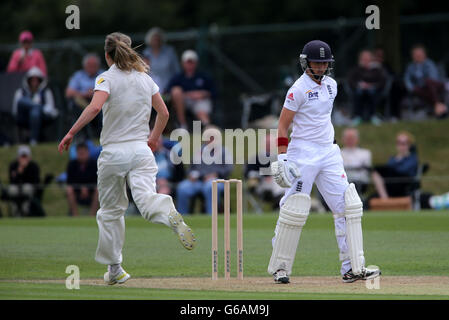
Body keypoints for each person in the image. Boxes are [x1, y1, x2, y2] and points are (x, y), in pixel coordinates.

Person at [58, 32, 196, 285]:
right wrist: (154, 139)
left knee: (110, 212)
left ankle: (115, 269)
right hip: (141, 151)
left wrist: (70, 132)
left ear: (107, 54)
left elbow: (94, 107)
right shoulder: (145, 79)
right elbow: (164, 112)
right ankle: (170, 214)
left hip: (113, 153)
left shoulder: (105, 78)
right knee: (145, 199)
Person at [268, 40, 381, 284]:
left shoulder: (332, 85)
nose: (320, 67)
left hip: (328, 152)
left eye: (324, 63)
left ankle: (352, 267)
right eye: (316, 63)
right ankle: (280, 267)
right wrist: (283, 157)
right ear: (306, 63)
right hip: (302, 153)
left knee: (347, 205)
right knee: (294, 207)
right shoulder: (297, 89)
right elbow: (282, 125)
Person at [176, 125, 233, 214]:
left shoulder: (224, 151)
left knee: (210, 186)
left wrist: (215, 174)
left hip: (217, 181)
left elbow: (228, 168)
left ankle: (211, 216)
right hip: (198, 181)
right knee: (182, 187)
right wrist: (191, 175)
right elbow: (191, 168)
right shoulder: (199, 151)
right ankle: (182, 217)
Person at [167, 50, 217, 129]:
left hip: (200, 100)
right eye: (187, 62)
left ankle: (208, 127)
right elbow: (168, 91)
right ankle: (183, 125)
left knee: (201, 108)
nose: (190, 65)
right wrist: (188, 95)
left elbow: (214, 91)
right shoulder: (178, 77)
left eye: (192, 62)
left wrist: (202, 94)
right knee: (176, 91)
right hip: (184, 102)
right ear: (183, 63)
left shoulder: (204, 76)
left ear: (196, 63)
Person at [12, 66, 59, 145]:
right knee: (22, 101)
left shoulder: (46, 92)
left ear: (40, 81)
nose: (34, 82)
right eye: (32, 80)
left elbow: (50, 109)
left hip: (40, 118)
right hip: (23, 118)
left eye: (36, 80)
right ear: (28, 81)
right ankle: (38, 107)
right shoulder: (20, 92)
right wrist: (40, 107)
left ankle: (33, 141)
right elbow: (15, 109)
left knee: (34, 112)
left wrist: (36, 109)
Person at [404, 44, 448, 119]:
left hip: (434, 86)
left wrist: (423, 83)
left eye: (419, 54)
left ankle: (437, 105)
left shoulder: (429, 64)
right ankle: (439, 106)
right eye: (416, 55)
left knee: (428, 82)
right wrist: (411, 88)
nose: (418, 56)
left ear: (424, 55)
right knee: (417, 89)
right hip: (422, 89)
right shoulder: (410, 67)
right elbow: (406, 79)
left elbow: (433, 79)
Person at [66, 53, 104, 137]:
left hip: (100, 102)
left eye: (94, 65)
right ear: (84, 66)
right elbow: (69, 92)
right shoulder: (78, 76)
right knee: (77, 102)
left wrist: (94, 92)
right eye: (89, 65)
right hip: (82, 104)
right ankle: (83, 135)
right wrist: (84, 94)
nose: (92, 68)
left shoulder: (104, 75)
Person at [371, 131, 418, 199]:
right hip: (390, 185)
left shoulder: (412, 159)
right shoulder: (393, 158)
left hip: (404, 184)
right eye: (399, 143)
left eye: (403, 143)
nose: (401, 146)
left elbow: (403, 170)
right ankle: (385, 198)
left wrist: (398, 161)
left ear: (409, 145)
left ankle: (385, 199)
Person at [347, 49, 387, 125]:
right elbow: (351, 81)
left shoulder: (377, 69)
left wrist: (371, 85)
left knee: (371, 92)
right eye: (364, 59)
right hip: (359, 90)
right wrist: (359, 85)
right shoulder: (356, 69)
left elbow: (382, 81)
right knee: (359, 93)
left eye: (367, 59)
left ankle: (373, 116)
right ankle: (358, 117)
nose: (366, 61)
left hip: (374, 90)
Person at [245, 134, 284, 210]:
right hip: (260, 185)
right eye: (267, 143)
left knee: (278, 182)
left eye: (271, 143)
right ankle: (277, 206)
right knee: (276, 183)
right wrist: (263, 177)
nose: (269, 145)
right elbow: (249, 173)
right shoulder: (255, 158)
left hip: (277, 183)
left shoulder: (279, 157)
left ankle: (279, 206)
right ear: (263, 144)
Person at [6, 145, 44, 216]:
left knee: (27, 188)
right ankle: (15, 213)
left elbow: (35, 181)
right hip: (17, 190)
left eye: (25, 156)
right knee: (12, 189)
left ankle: (26, 212)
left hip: (29, 190)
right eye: (22, 156)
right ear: (18, 157)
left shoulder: (33, 166)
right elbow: (12, 181)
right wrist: (19, 172)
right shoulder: (13, 165)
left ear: (29, 157)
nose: (23, 159)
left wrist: (25, 169)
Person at [142, 27, 180, 94]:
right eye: (154, 39)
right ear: (149, 40)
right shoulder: (146, 53)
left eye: (158, 39)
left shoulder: (170, 51)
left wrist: (172, 85)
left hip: (169, 87)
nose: (156, 41)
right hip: (151, 87)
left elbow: (176, 70)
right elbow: (144, 72)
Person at [66, 142, 99, 216]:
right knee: (69, 190)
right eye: (79, 153)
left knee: (98, 190)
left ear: (88, 152)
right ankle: (75, 216)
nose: (81, 155)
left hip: (91, 189)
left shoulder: (94, 164)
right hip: (76, 190)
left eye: (83, 153)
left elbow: (97, 180)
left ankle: (92, 215)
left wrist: (87, 187)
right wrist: (80, 188)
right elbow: (70, 181)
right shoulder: (72, 165)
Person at [340, 128, 372, 197]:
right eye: (348, 138)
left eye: (352, 138)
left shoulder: (365, 153)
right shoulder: (338, 153)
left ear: (357, 139)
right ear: (343, 139)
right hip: (342, 181)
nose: (350, 140)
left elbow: (366, 170)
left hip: (360, 182)